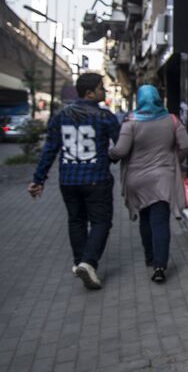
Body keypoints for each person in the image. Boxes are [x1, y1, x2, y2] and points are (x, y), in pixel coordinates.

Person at [28, 73, 120, 290]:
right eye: (101, 88)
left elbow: (50, 149)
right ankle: (88, 263)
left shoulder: (60, 116)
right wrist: (111, 158)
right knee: (101, 221)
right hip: (96, 178)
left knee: (76, 220)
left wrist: (38, 179)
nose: (104, 92)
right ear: (89, 92)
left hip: (68, 179)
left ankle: (81, 262)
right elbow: (120, 145)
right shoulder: (105, 117)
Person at [109, 85, 188, 283]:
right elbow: (186, 145)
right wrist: (175, 160)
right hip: (163, 177)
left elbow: (120, 151)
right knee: (160, 220)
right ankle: (160, 266)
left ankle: (150, 256)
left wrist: (109, 154)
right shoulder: (172, 120)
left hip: (137, 179)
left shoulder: (131, 122)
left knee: (145, 217)